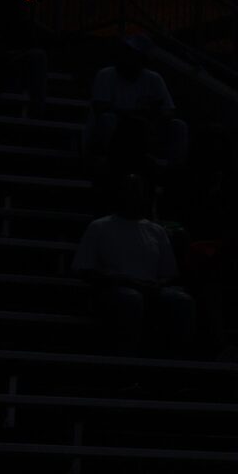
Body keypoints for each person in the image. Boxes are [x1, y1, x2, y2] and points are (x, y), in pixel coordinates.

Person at [74, 175, 195, 355]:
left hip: (151, 290)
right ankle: (126, 357)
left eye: (138, 191)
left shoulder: (156, 231)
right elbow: (85, 270)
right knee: (131, 298)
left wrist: (157, 285)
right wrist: (123, 281)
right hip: (115, 289)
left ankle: (176, 361)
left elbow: (169, 273)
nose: (134, 196)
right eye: (130, 190)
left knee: (181, 301)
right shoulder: (99, 227)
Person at [86, 37, 187, 179]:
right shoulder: (106, 75)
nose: (128, 59)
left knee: (179, 126)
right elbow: (100, 108)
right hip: (118, 131)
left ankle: (175, 172)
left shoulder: (154, 79)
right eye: (126, 54)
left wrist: (156, 117)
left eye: (133, 55)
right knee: (107, 119)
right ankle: (106, 159)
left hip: (147, 130)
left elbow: (169, 110)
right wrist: (138, 115)